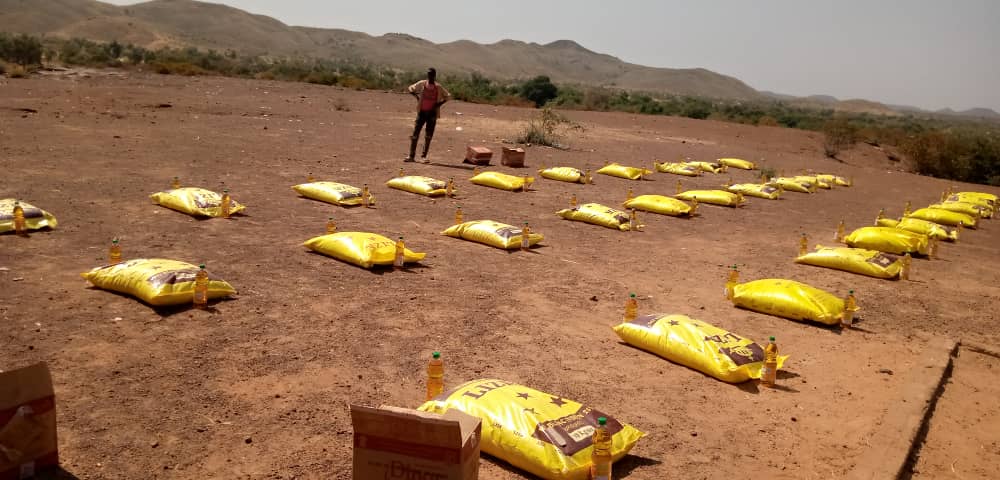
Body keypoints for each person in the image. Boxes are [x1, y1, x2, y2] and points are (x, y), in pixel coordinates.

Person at [405, 68, 450, 162]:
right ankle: (411, 156)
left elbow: (448, 96)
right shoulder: (422, 84)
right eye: (429, 74)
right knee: (415, 134)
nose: (430, 76)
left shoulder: (438, 87)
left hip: (432, 114)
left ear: (434, 75)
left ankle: (423, 157)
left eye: (431, 75)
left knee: (428, 136)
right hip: (421, 112)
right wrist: (416, 96)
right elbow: (410, 88)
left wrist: (439, 104)